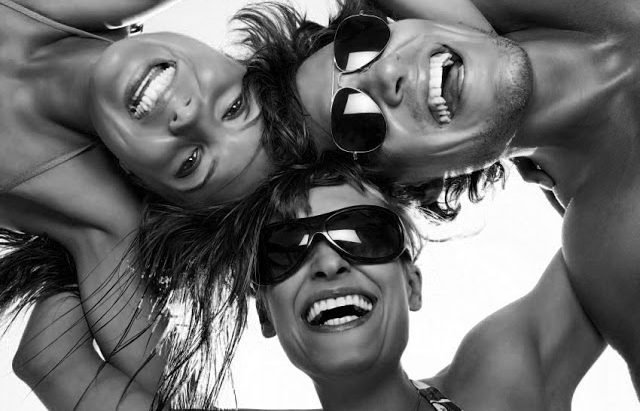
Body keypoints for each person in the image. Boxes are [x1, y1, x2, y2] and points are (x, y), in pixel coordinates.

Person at [233, 0, 640, 395]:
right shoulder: (618, 249)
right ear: (413, 183)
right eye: (357, 120)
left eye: (361, 42)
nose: (385, 74)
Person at [19, 158, 604, 410]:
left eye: (361, 233)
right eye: (286, 249)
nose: (327, 264)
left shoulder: (504, 380)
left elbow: (612, 212)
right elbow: (51, 359)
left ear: (412, 282)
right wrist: (126, 213)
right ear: (265, 314)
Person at [0, 0, 313, 407]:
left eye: (191, 163)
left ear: (140, 181)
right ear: (238, 62)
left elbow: (62, 365)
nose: (189, 116)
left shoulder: (100, 219)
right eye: (234, 108)